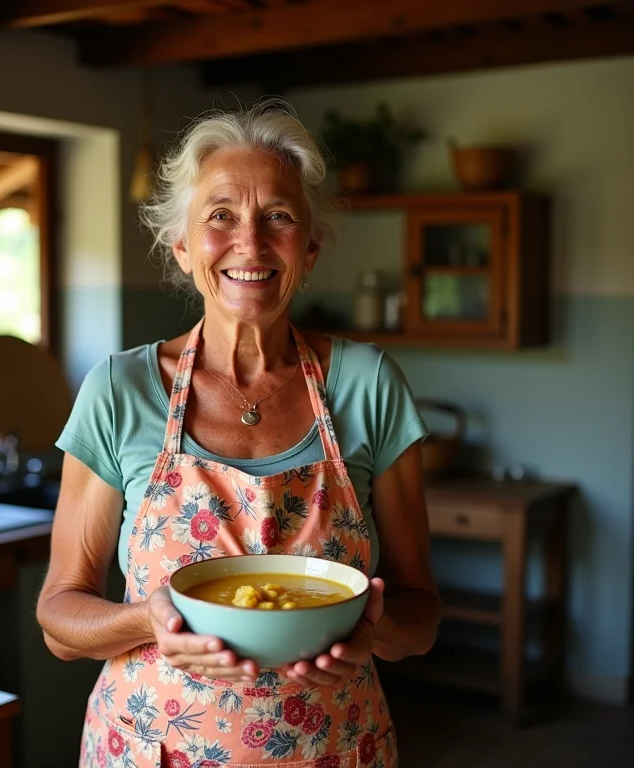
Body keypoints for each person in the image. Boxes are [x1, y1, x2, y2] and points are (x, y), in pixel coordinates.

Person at [37, 98, 441, 768]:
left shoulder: (368, 386)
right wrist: (147, 620)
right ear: (183, 247)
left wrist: (376, 633)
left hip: (335, 749)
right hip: (150, 749)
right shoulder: (119, 390)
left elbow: (420, 613)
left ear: (309, 251)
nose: (250, 243)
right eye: (220, 215)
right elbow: (60, 619)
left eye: (278, 217)